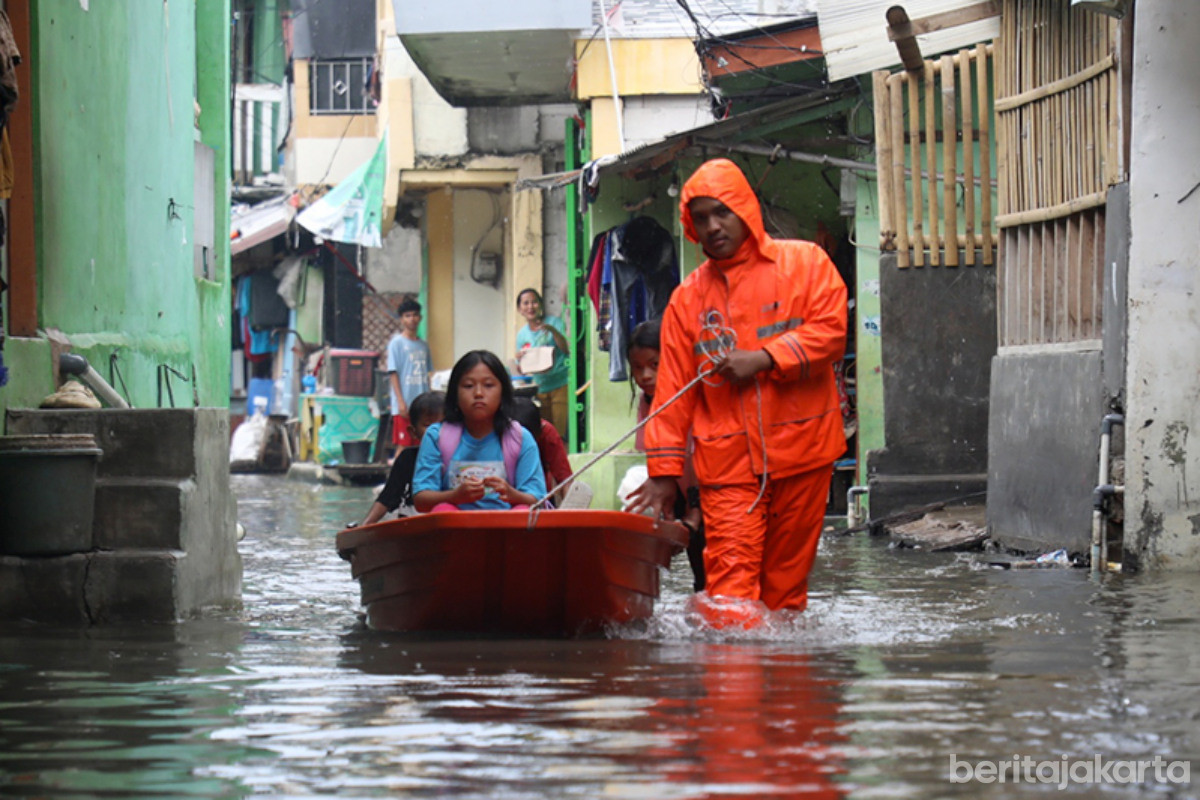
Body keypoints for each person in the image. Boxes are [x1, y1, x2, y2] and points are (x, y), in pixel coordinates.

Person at [625, 158, 848, 623]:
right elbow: (671, 395)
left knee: (785, 592)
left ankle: (783, 689)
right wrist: (664, 474)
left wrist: (765, 358)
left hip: (803, 454)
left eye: (721, 212)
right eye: (701, 217)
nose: (712, 226)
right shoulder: (688, 299)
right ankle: (735, 688)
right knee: (730, 591)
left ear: (744, 209)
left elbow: (831, 333)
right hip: (728, 467)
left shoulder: (806, 263)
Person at [412, 350, 546, 512]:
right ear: (455, 393)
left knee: (523, 513)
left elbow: (537, 499)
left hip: (508, 530)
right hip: (456, 532)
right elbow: (421, 499)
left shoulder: (520, 438)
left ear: (503, 391)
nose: (478, 393)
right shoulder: (437, 437)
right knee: (443, 510)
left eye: (488, 385)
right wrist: (454, 497)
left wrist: (512, 494)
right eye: (468, 386)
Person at [627, 319, 706, 592]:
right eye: (637, 368)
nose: (645, 375)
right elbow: (654, 456)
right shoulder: (647, 403)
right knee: (700, 573)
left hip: (707, 492)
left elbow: (697, 452)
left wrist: (695, 510)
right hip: (681, 491)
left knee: (713, 566)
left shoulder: (690, 396)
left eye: (654, 365)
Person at [357, 391, 444, 526]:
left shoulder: (460, 458)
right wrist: (364, 526)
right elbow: (388, 497)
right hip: (414, 522)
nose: (436, 432)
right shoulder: (407, 458)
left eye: (444, 424)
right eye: (428, 425)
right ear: (413, 432)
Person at [514, 288, 570, 440]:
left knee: (559, 434)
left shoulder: (554, 323)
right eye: (526, 303)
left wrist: (552, 331)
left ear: (540, 305)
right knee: (544, 434)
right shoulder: (522, 335)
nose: (530, 307)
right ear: (520, 309)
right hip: (539, 389)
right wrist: (520, 361)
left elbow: (566, 349)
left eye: (534, 302)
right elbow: (522, 371)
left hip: (561, 384)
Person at [385, 297, 431, 451]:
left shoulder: (423, 346)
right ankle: (397, 475)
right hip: (404, 404)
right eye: (407, 316)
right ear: (402, 319)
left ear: (420, 318)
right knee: (403, 446)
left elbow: (428, 374)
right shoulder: (396, 343)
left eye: (415, 315)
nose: (412, 319)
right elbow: (393, 373)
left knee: (421, 445)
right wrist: (400, 402)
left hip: (422, 405)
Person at [512, 396, 573, 506]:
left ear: (540, 431)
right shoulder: (497, 433)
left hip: (540, 497)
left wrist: (570, 515)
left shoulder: (547, 433)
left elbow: (565, 479)